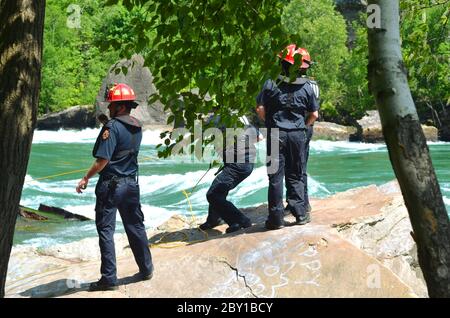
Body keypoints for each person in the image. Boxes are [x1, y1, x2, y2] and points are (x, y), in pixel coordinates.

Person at [76, 83, 153, 291]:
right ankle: (146, 269)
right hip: (130, 185)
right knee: (136, 227)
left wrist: (85, 178)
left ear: (120, 106)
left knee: (106, 231)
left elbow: (102, 161)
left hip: (111, 187)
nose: (108, 109)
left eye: (111, 105)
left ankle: (109, 279)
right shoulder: (137, 126)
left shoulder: (111, 127)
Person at [256, 44, 319, 230]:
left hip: (276, 134)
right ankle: (300, 214)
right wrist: (302, 126)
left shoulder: (270, 83)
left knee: (275, 177)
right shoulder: (308, 87)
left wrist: (270, 123)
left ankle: (276, 220)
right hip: (297, 136)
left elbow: (260, 109)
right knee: (296, 174)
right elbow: (314, 114)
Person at [199, 115, 260, 233]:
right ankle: (213, 220)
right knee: (219, 190)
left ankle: (241, 221)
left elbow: (202, 136)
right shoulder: (240, 115)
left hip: (238, 164)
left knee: (213, 194)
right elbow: (259, 137)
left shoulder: (216, 118)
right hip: (246, 162)